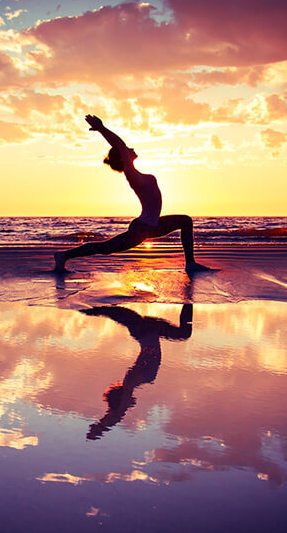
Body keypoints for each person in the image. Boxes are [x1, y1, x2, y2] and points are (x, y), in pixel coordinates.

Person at [54, 115, 210, 273]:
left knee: (185, 221)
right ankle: (64, 256)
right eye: (128, 150)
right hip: (142, 228)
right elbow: (120, 145)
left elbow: (122, 148)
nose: (131, 149)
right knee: (106, 248)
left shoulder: (137, 174)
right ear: (123, 158)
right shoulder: (132, 175)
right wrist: (102, 129)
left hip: (151, 225)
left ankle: (190, 263)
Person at [82, 304, 193, 440]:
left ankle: (188, 298)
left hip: (146, 330)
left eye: (125, 404)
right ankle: (188, 297)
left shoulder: (130, 383)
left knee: (109, 311)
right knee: (109, 312)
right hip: (147, 331)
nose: (130, 405)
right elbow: (118, 412)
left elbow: (117, 414)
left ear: (122, 400)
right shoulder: (135, 381)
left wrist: (101, 428)